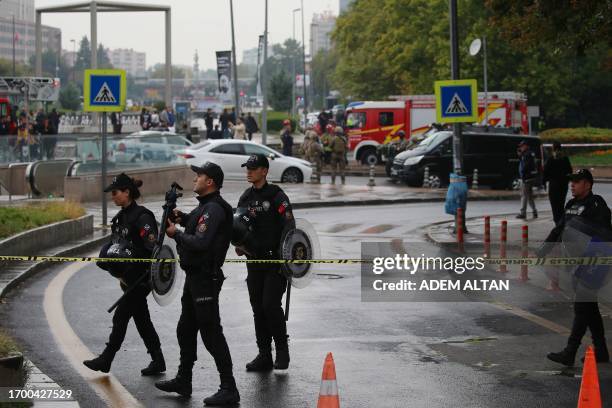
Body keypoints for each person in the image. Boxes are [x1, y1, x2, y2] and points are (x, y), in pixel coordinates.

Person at [156, 163, 240, 406]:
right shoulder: (205, 206)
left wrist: (176, 234)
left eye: (199, 175)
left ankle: (229, 387)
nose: (195, 179)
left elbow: (201, 242)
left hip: (206, 278)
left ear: (210, 181)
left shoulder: (214, 209)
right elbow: (193, 221)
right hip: (194, 278)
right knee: (185, 329)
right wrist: (179, 217)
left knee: (211, 332)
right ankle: (184, 379)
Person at [83, 174, 166, 376]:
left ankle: (106, 358)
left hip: (142, 278)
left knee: (121, 316)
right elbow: (115, 244)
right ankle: (158, 360)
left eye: (115, 193)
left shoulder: (142, 216)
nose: (112, 197)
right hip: (127, 279)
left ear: (126, 192)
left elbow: (153, 249)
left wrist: (133, 258)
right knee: (141, 318)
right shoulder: (120, 218)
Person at [539, 169, 611, 366]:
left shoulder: (596, 204)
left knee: (582, 307)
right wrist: (543, 250)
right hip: (576, 263)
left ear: (587, 185)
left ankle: (570, 351)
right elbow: (559, 229)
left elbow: (604, 235)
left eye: (577, 182)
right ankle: (602, 351)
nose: (572, 185)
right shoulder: (571, 204)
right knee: (589, 308)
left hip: (592, 262)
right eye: (571, 181)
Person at [236, 154, 295, 371]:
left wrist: (287, 258)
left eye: (253, 168)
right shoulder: (245, 198)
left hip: (275, 262)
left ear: (264, 171)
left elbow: (290, 226)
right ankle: (264, 355)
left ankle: (282, 350)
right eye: (247, 168)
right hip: (254, 262)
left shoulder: (277, 196)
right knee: (257, 308)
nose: (249, 171)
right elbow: (239, 226)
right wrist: (239, 244)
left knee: (270, 305)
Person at [543, 141, 573, 225]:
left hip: (553, 186)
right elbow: (570, 171)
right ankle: (561, 220)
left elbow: (546, 171)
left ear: (553, 148)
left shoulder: (551, 159)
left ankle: (557, 222)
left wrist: (544, 182)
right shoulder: (565, 158)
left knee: (554, 205)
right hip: (563, 186)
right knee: (561, 204)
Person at [516, 140, 539, 219]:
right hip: (531, 177)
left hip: (527, 178)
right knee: (529, 196)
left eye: (522, 146)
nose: (521, 148)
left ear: (526, 146)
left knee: (524, 196)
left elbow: (525, 166)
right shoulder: (530, 153)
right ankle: (534, 211)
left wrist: (523, 174)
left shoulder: (527, 154)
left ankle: (523, 213)